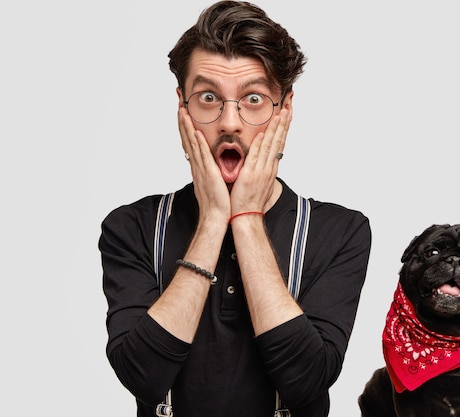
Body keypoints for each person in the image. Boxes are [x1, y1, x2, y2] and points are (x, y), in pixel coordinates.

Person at [99, 2, 372, 416]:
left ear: (285, 110)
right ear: (182, 107)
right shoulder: (131, 227)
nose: (230, 122)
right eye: (208, 97)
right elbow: (144, 376)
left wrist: (245, 218)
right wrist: (212, 221)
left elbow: (306, 380)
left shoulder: (340, 231)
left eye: (254, 98)